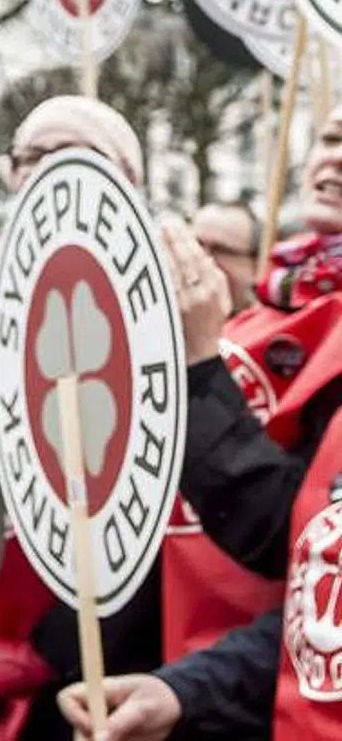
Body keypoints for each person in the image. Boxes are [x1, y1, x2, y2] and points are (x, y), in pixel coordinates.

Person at [56, 105, 342, 741]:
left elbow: (291, 543)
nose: (336, 158)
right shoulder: (259, 315)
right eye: (329, 137)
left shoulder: (215, 338)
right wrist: (172, 687)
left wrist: (197, 370)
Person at [0, 95, 161, 741]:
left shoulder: (163, 316)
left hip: (104, 679)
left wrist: (44, 656)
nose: (40, 172)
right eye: (27, 156)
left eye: (66, 154)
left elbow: (151, 521)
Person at [191, 201, 261, 315]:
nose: (203, 258)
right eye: (197, 244)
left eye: (220, 250)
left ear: (255, 265)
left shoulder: (267, 329)